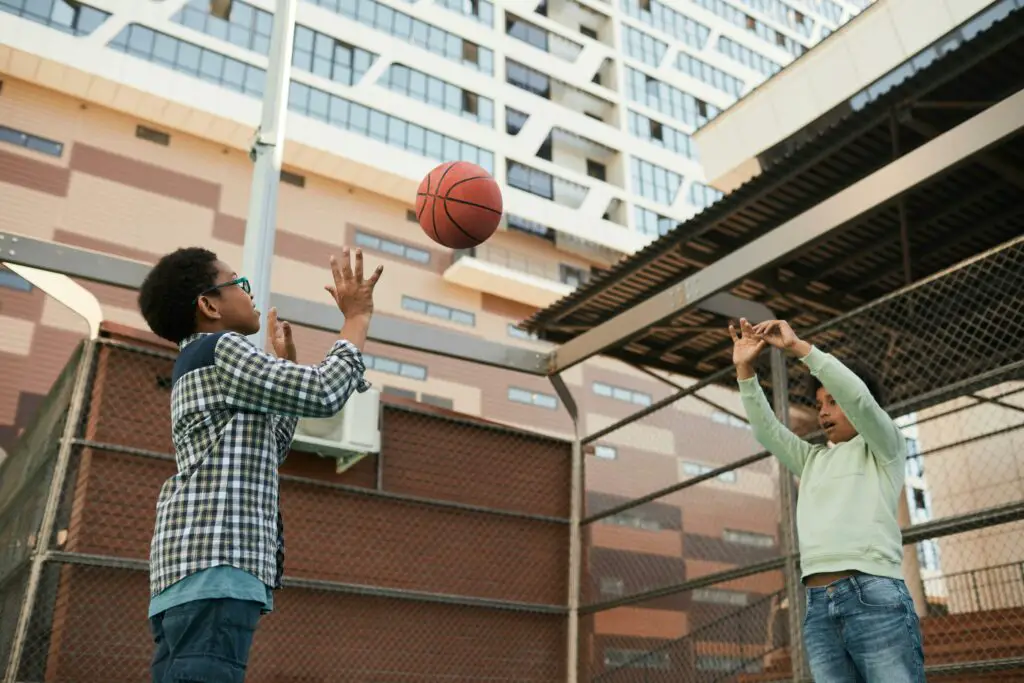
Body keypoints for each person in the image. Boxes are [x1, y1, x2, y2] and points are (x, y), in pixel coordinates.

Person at [137, 246, 383, 683]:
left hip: (188, 573)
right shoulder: (221, 348)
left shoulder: (199, 360)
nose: (249, 293)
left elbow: (272, 447)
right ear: (209, 304)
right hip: (215, 568)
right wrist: (357, 318)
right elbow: (326, 391)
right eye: (238, 283)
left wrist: (285, 368)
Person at [729, 317, 925, 683]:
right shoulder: (812, 459)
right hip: (818, 604)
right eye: (819, 403)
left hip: (873, 594)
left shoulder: (885, 447)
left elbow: (859, 399)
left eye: (833, 401)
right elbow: (766, 430)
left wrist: (799, 349)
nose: (823, 411)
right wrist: (744, 371)